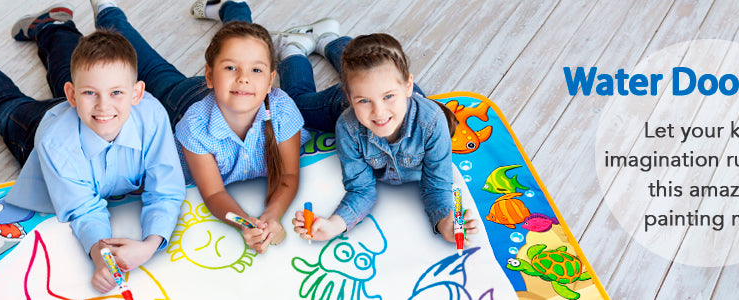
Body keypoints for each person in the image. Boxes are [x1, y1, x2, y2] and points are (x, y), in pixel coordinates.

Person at [0, 4, 185, 294]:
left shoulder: (152, 115)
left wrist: (152, 243)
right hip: (42, 130)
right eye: (90, 94)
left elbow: (166, 186)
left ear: (137, 94)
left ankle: (53, 25)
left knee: (84, 73)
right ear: (72, 96)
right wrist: (100, 255)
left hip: (80, 116)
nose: (104, 105)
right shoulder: (55, 142)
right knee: (5, 107)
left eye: (117, 92)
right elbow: (83, 208)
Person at [91, 0, 309, 253]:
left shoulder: (282, 110)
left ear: (271, 80)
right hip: (184, 100)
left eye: (257, 70)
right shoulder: (195, 126)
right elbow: (214, 193)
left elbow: (288, 176)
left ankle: (233, 6)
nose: (244, 77)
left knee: (245, 45)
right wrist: (243, 223)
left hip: (224, 96)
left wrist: (271, 216)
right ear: (209, 75)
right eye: (230, 68)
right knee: (149, 65)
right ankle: (109, 12)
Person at [280, 26, 479, 244]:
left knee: (368, 65)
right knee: (295, 106)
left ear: (408, 86)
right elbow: (361, 189)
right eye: (364, 100)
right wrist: (334, 225)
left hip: (407, 99)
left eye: (388, 97)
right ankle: (292, 50)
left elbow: (437, 186)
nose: (379, 113)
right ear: (350, 95)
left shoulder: (432, 123)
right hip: (342, 106)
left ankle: (329, 38)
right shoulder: (348, 126)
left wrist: (444, 222)